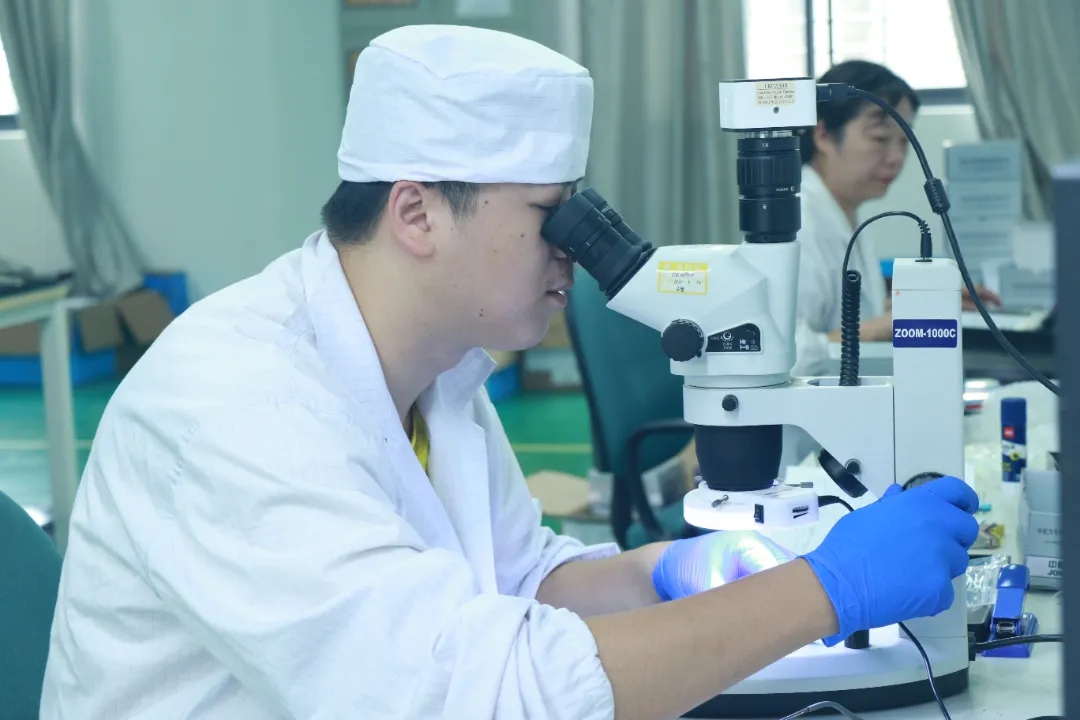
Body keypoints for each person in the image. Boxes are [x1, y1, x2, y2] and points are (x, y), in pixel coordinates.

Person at [40, 26, 980, 720]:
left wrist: (666, 569)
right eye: (549, 216)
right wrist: (822, 590)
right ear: (417, 214)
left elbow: (517, 581)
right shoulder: (239, 407)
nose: (574, 249)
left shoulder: (440, 374)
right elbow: (473, 697)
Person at [794, 60, 999, 376]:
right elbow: (788, 353)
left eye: (904, 141)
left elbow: (853, 315)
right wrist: (882, 327)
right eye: (880, 138)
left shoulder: (844, 212)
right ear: (823, 134)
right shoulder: (798, 224)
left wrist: (926, 301)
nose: (896, 158)